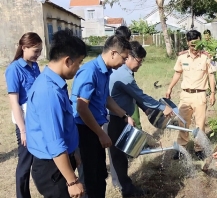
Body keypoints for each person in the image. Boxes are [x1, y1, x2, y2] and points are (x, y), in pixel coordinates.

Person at [70, 35, 134, 198]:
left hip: (94, 128)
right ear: (113, 53)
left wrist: (124, 115)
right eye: (124, 58)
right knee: (89, 179)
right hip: (84, 130)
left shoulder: (105, 72)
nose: (124, 62)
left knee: (99, 176)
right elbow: (82, 108)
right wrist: (101, 133)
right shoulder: (89, 71)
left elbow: (105, 98)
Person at [25, 30, 86, 198]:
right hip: (52, 169)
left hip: (60, 163)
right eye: (79, 62)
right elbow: (55, 142)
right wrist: (72, 181)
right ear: (67, 60)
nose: (79, 68)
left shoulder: (55, 83)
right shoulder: (49, 92)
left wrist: (74, 155)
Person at [108, 41, 173, 197]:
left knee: (119, 154)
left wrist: (145, 109)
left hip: (120, 116)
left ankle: (121, 184)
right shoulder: (123, 75)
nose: (140, 64)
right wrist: (162, 107)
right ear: (129, 57)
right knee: (118, 155)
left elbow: (133, 97)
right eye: (139, 61)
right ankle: (126, 188)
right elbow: (140, 95)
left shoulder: (125, 73)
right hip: (114, 118)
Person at [166, 30, 217, 160]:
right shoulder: (182, 57)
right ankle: (181, 149)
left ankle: (199, 149)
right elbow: (177, 73)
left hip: (200, 95)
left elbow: (211, 75)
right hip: (185, 95)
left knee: (200, 124)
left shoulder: (207, 56)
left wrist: (212, 93)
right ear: (187, 43)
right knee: (183, 122)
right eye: (191, 44)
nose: (194, 47)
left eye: (197, 43)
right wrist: (170, 88)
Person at [5, 32, 42, 198]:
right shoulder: (14, 69)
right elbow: (14, 103)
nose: (38, 54)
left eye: (40, 51)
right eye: (35, 51)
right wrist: (23, 130)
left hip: (37, 118)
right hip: (25, 122)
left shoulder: (34, 66)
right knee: (25, 163)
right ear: (24, 47)